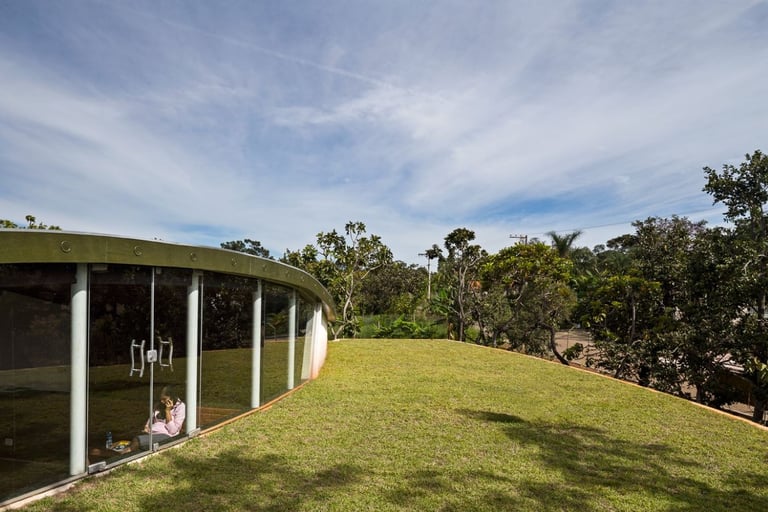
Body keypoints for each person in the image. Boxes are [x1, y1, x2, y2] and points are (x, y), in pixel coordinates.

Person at [128, 385, 186, 452]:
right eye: (160, 399)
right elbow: (150, 419)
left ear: (172, 398)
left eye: (164, 399)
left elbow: (173, 431)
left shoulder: (180, 407)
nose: (161, 401)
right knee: (130, 437)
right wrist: (146, 427)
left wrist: (167, 411)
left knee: (137, 441)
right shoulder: (159, 405)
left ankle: (122, 458)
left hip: (166, 435)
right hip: (152, 432)